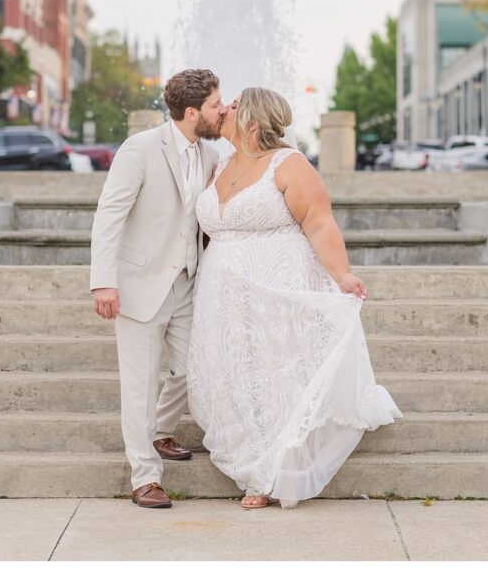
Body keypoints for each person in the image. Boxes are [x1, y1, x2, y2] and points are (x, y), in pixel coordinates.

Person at [188, 87, 403, 509]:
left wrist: (341, 273)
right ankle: (250, 455)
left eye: (232, 107)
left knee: (275, 378)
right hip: (223, 297)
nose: (224, 111)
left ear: (252, 121)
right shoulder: (220, 164)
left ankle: (268, 473)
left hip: (277, 290)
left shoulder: (289, 164)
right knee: (232, 376)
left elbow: (319, 223)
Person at [89, 69, 227, 509]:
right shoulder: (141, 148)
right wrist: (104, 282)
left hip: (188, 282)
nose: (221, 109)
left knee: (191, 370)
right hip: (138, 284)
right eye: (215, 105)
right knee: (139, 386)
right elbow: (109, 215)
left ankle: (160, 431)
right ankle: (144, 477)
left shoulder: (209, 154)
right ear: (191, 112)